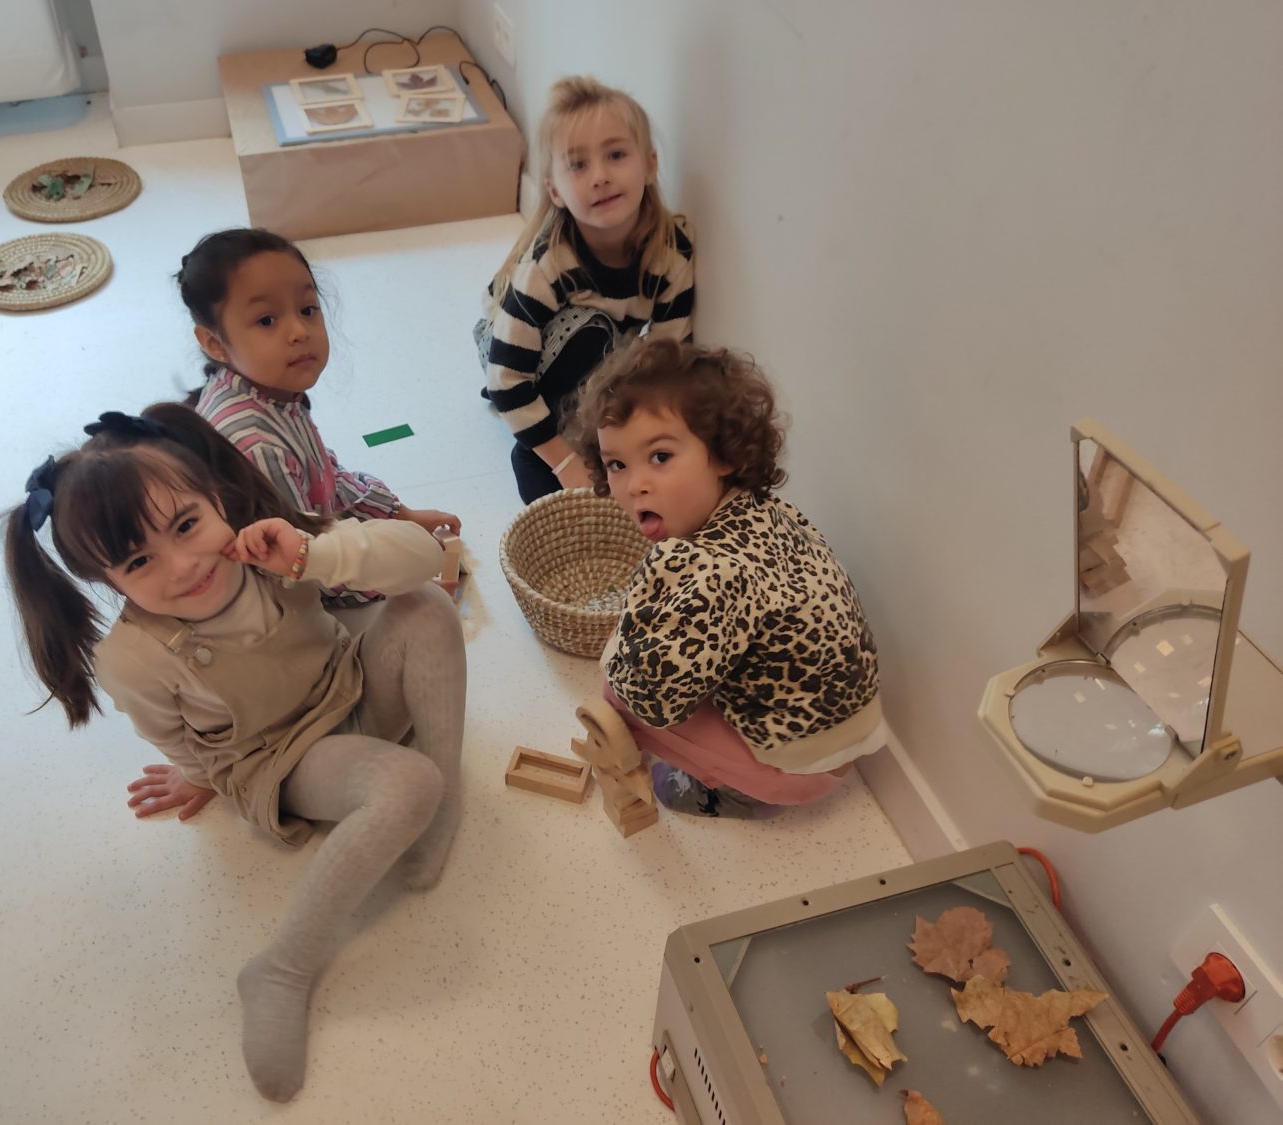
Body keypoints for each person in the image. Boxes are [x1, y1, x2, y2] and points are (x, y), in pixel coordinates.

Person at [1, 403, 465, 1100]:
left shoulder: (270, 547)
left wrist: (314, 554)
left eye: (187, 525)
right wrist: (201, 779)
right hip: (282, 760)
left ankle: (445, 795)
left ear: (216, 498)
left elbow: (425, 559)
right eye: (139, 561)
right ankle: (281, 968)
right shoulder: (134, 657)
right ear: (108, 581)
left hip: (348, 685)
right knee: (406, 785)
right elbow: (170, 733)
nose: (184, 565)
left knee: (426, 607)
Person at [568, 338, 883, 818]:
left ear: (723, 455)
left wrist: (623, 640)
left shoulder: (704, 568)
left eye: (660, 457)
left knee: (618, 691)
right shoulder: (766, 510)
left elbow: (650, 699)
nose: (635, 485)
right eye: (617, 464)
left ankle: (735, 793)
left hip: (800, 768)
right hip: (847, 724)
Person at [179, 227, 460, 605]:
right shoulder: (257, 447)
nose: (299, 331)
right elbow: (306, 569)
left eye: (307, 310)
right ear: (214, 343)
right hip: (299, 601)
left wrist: (400, 514)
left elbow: (323, 476)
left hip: (312, 549)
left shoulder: (270, 391)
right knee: (429, 609)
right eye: (267, 320)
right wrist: (406, 586)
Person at [477, 76, 694, 503]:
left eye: (616, 155)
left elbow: (671, 361)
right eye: (578, 165)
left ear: (650, 165)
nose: (600, 177)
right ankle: (540, 442)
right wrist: (564, 462)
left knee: (629, 358)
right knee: (590, 334)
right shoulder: (548, 266)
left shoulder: (672, 253)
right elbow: (506, 378)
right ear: (555, 191)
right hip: (508, 352)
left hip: (600, 350)